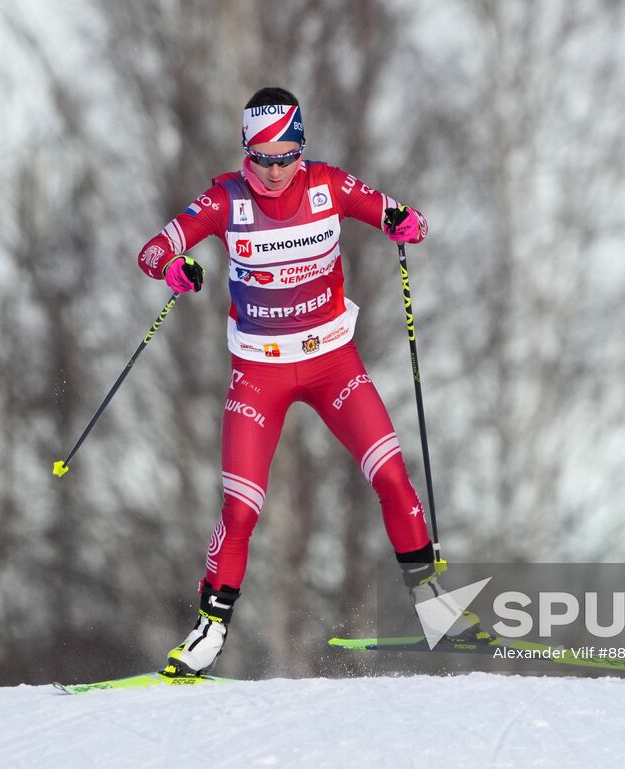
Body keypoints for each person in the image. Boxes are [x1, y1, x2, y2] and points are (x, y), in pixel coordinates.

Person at [134, 86, 482, 676]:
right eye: (260, 159)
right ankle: (209, 631)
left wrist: (404, 223)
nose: (273, 172)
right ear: (246, 153)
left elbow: (408, 219)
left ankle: (434, 606)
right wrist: (175, 266)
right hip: (258, 374)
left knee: (394, 478)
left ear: (303, 149)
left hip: (332, 364)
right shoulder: (225, 199)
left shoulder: (331, 185)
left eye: (285, 157)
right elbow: (152, 250)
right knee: (241, 510)